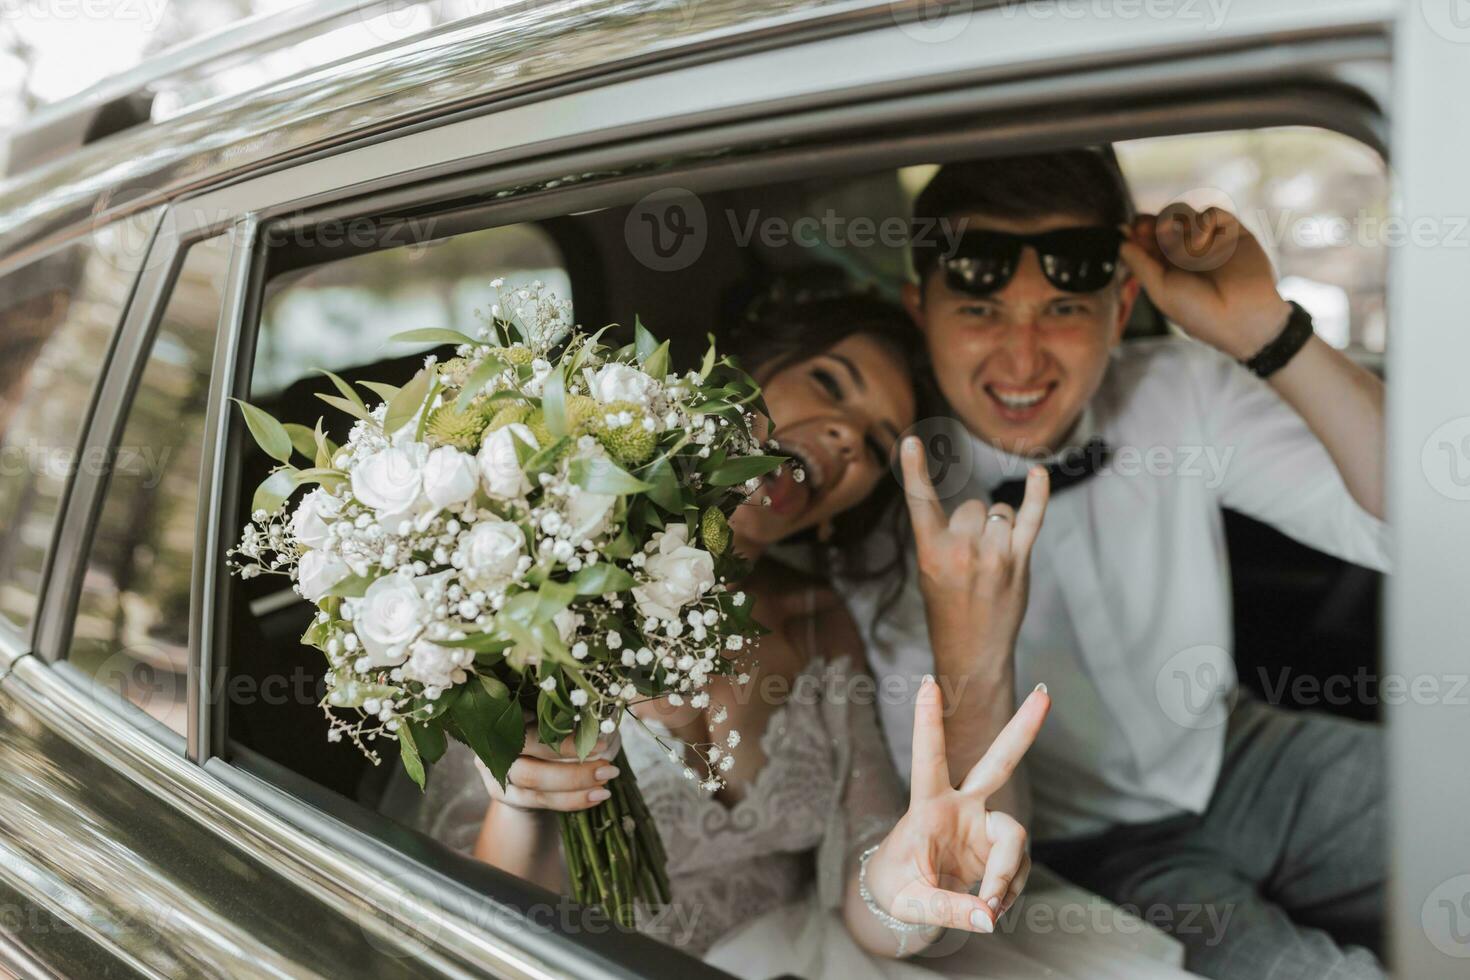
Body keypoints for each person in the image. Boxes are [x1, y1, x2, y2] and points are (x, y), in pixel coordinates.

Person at [416, 282, 1198, 978]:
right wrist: (522, 805)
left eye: (875, 444)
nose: (845, 441)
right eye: (829, 384)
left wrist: (902, 887)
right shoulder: (540, 574)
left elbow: (870, 891)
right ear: (745, 366)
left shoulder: (820, 625)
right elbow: (472, 928)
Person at [842, 149, 1390, 979]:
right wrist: (970, 640)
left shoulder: (1179, 389)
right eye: (982, 310)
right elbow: (967, 832)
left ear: (1121, 301)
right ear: (920, 310)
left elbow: (1421, 521)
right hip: (1079, 853)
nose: (1022, 361)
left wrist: (1266, 330)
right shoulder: (878, 507)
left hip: (1238, 753)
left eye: (1062, 306)